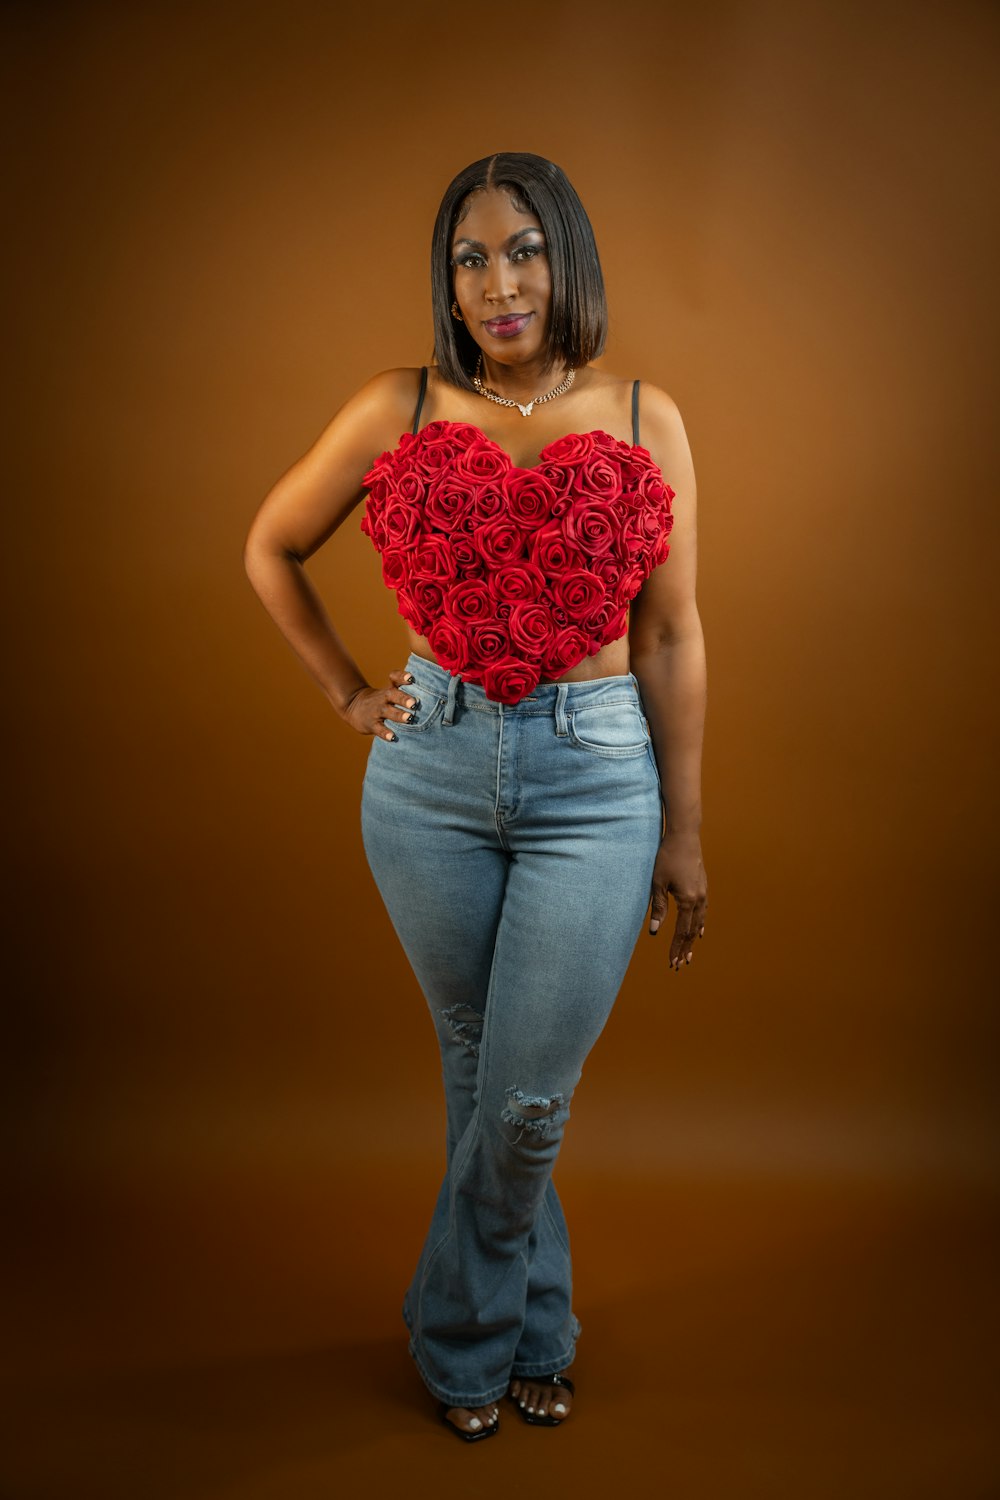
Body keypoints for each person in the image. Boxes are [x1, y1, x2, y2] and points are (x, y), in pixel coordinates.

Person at [243, 151, 708, 1443]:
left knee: (522, 1096)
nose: (498, 284)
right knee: (479, 1070)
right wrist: (347, 693)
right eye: (469, 257)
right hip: (429, 777)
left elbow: (671, 637)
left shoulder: (639, 418)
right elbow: (269, 543)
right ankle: (535, 1334)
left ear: (569, 259)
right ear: (446, 284)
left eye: (524, 250)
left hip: (597, 781)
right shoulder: (399, 406)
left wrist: (686, 828)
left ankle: (456, 1335)